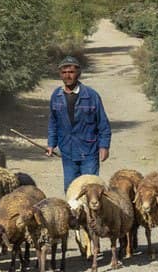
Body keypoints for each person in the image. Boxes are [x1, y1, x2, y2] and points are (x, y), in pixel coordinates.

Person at [46, 55, 111, 192]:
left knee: (91, 190)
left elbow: (103, 124)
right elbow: (53, 122)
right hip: (67, 152)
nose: (67, 76)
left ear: (78, 73)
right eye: (64, 72)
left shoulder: (91, 95)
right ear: (60, 75)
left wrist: (104, 146)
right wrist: (51, 144)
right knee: (71, 190)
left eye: (71, 72)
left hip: (89, 151)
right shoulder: (56, 96)